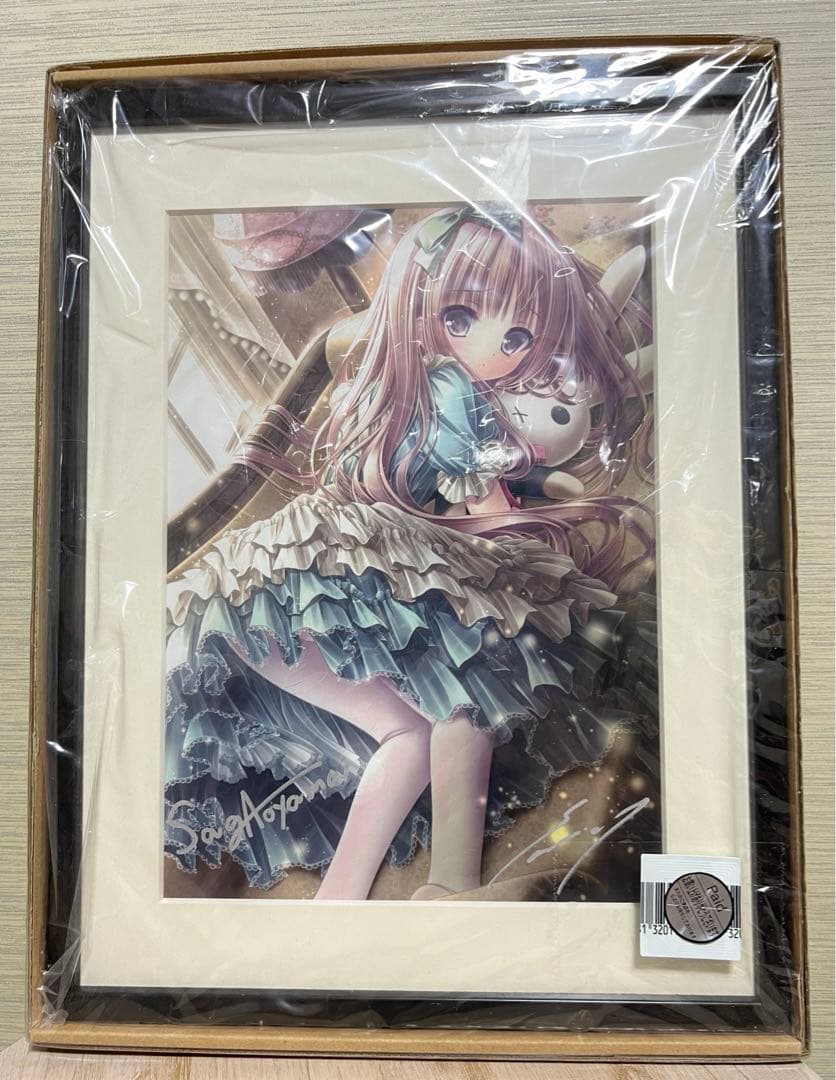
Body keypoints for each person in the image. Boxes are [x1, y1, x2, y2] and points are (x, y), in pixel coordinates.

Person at [164, 205, 654, 900]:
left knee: (414, 735)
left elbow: (490, 478)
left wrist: (531, 488)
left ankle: (342, 901)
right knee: (465, 696)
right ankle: (450, 884)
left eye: (517, 336)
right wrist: (517, 523)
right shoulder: (444, 392)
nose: (492, 349)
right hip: (325, 575)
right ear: (419, 308)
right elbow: (476, 496)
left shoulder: (433, 395)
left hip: (293, 589)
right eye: (460, 317)